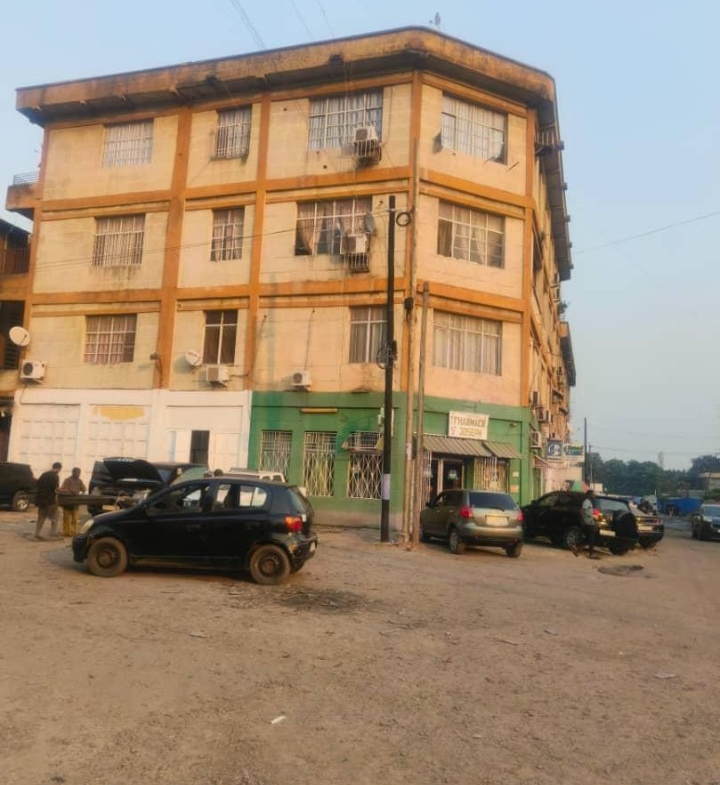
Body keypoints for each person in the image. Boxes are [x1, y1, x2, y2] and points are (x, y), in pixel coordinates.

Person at [35, 461, 62, 540]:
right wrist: (62, 490)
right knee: (55, 516)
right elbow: (56, 489)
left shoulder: (44, 474)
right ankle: (53, 532)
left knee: (41, 517)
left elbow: (37, 484)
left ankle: (37, 533)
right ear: (59, 468)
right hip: (50, 500)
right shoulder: (55, 476)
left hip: (41, 500)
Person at [59, 467, 86, 537]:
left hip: (75, 503)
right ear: (73, 472)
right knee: (66, 519)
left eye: (79, 473)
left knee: (75, 519)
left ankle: (73, 532)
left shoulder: (80, 481)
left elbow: (84, 489)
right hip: (67, 502)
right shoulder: (67, 480)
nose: (78, 474)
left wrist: (82, 493)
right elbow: (62, 489)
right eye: (77, 473)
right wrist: (69, 491)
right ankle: (66, 533)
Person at [577, 488, 600, 559]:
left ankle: (578, 548)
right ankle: (591, 553)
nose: (594, 495)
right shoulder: (586, 502)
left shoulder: (589, 502)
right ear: (589, 495)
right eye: (593, 494)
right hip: (588, 522)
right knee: (591, 538)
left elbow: (591, 512)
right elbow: (582, 511)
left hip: (589, 521)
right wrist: (583, 521)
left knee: (588, 537)